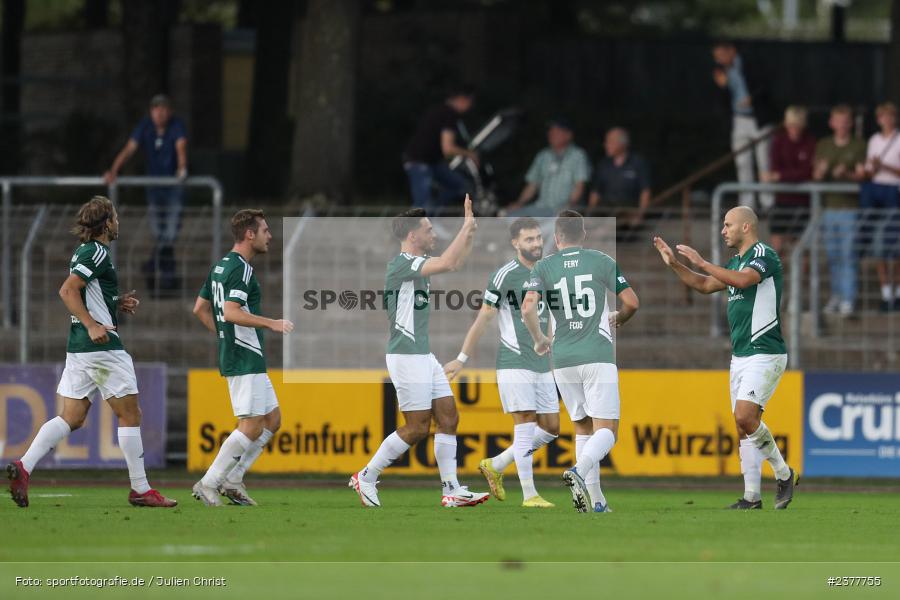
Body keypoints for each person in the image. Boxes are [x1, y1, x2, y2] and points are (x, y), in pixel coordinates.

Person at [6, 196, 176, 508]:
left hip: (79, 350)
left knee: (72, 417)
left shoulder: (86, 252)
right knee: (130, 414)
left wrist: (114, 302)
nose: (118, 222)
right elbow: (67, 290)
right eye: (115, 217)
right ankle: (140, 488)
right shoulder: (97, 252)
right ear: (106, 223)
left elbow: (87, 290)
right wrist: (93, 324)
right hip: (102, 348)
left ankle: (24, 466)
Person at [653, 206, 799, 510]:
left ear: (746, 227)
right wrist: (675, 265)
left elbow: (744, 281)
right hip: (741, 355)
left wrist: (702, 261)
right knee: (742, 427)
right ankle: (751, 497)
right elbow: (705, 285)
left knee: (745, 417)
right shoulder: (735, 262)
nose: (723, 230)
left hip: (765, 351)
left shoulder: (764, 255)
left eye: (728, 224)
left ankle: (784, 474)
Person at [350, 196, 489, 508]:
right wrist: (465, 227)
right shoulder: (402, 264)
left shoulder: (414, 266)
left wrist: (469, 232)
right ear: (412, 236)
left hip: (422, 354)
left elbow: (457, 262)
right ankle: (367, 475)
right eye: (428, 230)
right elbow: (450, 262)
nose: (434, 234)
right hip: (406, 355)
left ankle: (451, 489)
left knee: (449, 416)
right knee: (417, 427)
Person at [521, 210, 639, 513]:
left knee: (583, 428)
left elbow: (528, 308)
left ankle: (597, 501)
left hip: (562, 358)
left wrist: (538, 339)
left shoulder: (543, 267)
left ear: (556, 237)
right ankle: (578, 471)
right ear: (583, 235)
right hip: (597, 354)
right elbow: (632, 302)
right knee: (607, 432)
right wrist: (620, 317)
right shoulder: (600, 260)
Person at [443, 217, 560, 508]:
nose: (536, 243)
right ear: (515, 243)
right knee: (525, 425)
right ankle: (530, 495)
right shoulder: (505, 275)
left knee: (551, 428)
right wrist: (461, 358)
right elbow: (483, 318)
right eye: (529, 239)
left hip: (541, 362)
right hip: (514, 361)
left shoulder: (547, 272)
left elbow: (551, 314)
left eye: (537, 238)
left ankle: (496, 464)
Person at [191, 210, 293, 507]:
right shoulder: (242, 269)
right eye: (264, 230)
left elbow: (200, 308)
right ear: (250, 234)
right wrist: (271, 323)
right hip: (245, 356)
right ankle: (209, 483)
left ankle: (234, 479)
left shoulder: (220, 266)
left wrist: (223, 336)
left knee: (272, 419)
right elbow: (232, 311)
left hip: (243, 354)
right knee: (250, 425)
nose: (269, 236)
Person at [105, 94, 188, 294]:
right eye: (156, 109)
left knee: (169, 233)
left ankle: (152, 267)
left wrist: (182, 168)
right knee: (160, 234)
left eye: (164, 109)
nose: (160, 113)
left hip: (173, 187)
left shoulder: (176, 126)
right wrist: (114, 170)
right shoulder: (145, 126)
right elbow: (129, 149)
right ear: (151, 112)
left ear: (170, 111)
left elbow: (181, 147)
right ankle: (166, 278)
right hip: (154, 187)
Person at [813, 105, 866, 316]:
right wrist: (822, 171)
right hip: (828, 208)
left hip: (849, 208)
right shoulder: (824, 145)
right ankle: (836, 295)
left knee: (848, 254)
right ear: (831, 123)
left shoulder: (859, 145)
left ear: (850, 123)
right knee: (833, 255)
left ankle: (849, 297)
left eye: (846, 121)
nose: (842, 125)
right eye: (838, 120)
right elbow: (816, 175)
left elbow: (863, 176)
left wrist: (847, 174)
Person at [712, 41, 777, 211]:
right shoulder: (721, 71)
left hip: (758, 118)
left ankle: (767, 202)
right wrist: (722, 87)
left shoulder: (751, 63)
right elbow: (721, 101)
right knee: (742, 162)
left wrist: (752, 99)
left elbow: (766, 86)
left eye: (722, 56)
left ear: (731, 51)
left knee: (764, 161)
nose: (720, 60)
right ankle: (747, 205)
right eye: (717, 57)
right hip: (739, 118)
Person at [403, 85, 477, 216]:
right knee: (422, 202)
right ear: (462, 99)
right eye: (470, 102)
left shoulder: (439, 110)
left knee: (460, 186)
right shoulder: (449, 114)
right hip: (419, 161)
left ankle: (432, 217)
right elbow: (448, 149)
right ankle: (409, 230)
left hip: (433, 162)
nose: (470, 106)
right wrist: (469, 154)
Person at [857, 102, 900, 311]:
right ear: (879, 119)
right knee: (879, 245)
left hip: (894, 193)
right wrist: (867, 170)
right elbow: (868, 170)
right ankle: (885, 293)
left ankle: (897, 292)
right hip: (875, 192)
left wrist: (883, 166)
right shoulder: (873, 140)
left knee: (895, 244)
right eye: (883, 116)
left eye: (890, 116)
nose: (887, 120)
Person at [505, 118, 591, 218]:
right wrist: (519, 203)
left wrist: (569, 206)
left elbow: (579, 186)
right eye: (551, 131)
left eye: (557, 131)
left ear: (568, 135)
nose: (552, 134)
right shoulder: (543, 156)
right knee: (510, 216)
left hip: (564, 209)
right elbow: (532, 185)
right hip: (541, 207)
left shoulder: (578, 155)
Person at [764, 106, 817, 253]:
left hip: (802, 201)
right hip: (782, 199)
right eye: (791, 125)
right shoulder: (778, 141)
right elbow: (774, 169)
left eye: (797, 125)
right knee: (777, 245)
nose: (793, 128)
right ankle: (776, 276)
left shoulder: (810, 142)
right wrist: (785, 175)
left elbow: (808, 172)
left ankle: (802, 275)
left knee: (800, 247)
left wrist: (782, 176)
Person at [587, 127, 652, 228]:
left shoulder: (637, 163)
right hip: (605, 214)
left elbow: (645, 191)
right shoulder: (603, 164)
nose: (606, 145)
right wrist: (590, 216)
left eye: (610, 142)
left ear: (622, 144)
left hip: (627, 215)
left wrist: (640, 215)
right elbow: (595, 192)